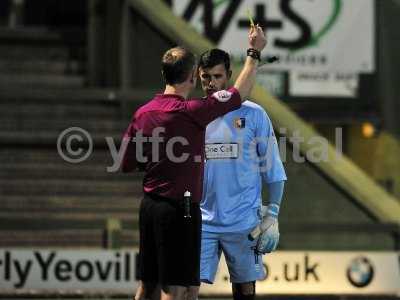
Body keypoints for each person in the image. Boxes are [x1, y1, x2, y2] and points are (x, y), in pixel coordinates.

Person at [121, 25, 267, 300]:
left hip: (149, 208)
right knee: (175, 290)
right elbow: (239, 93)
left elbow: (128, 162)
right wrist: (254, 52)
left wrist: (160, 159)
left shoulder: (142, 113)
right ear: (191, 77)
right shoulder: (192, 112)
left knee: (147, 284)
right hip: (180, 210)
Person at [198, 48, 287, 300]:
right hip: (202, 222)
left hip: (244, 223)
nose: (211, 84)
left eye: (217, 76)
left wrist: (273, 214)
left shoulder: (255, 114)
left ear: (229, 75)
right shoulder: (194, 116)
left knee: (245, 292)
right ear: (197, 76)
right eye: (205, 77)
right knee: (185, 289)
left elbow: (274, 169)